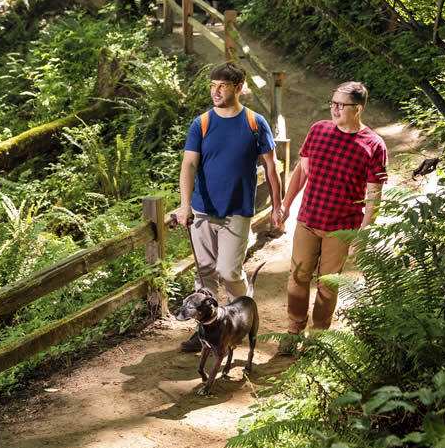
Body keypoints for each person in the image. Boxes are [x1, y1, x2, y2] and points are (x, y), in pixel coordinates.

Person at [166, 63, 283, 352]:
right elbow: (189, 164)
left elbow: (271, 167)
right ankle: (203, 331)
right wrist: (184, 205)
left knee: (230, 272)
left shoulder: (255, 123)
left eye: (223, 85)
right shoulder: (201, 123)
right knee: (205, 274)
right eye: (213, 85)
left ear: (239, 86)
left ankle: (241, 319)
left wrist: (278, 207)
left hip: (238, 211)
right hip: (203, 210)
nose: (216, 91)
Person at [279, 81, 387, 355]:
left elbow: (374, 194)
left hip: (342, 228)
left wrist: (363, 233)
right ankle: (293, 331)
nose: (335, 109)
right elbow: (301, 172)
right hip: (308, 219)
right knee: (298, 277)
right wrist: (286, 204)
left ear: (358, 108)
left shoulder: (374, 145)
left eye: (342, 105)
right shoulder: (318, 130)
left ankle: (316, 339)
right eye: (333, 103)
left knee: (327, 284)